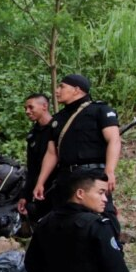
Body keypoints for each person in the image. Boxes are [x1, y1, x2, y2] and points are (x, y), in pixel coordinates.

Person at [31, 74, 122, 234]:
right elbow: (52, 153)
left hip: (93, 175)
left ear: (77, 90)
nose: (57, 91)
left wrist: (109, 170)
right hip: (66, 177)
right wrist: (41, 182)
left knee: (104, 217)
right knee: (66, 221)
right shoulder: (57, 119)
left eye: (62, 87)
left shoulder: (100, 110)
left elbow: (114, 140)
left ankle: (111, 251)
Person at [18, 92, 52, 221]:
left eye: (31, 107)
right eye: (25, 108)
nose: (27, 111)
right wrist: (25, 195)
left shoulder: (59, 128)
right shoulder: (33, 134)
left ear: (44, 106)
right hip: (41, 186)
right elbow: (31, 168)